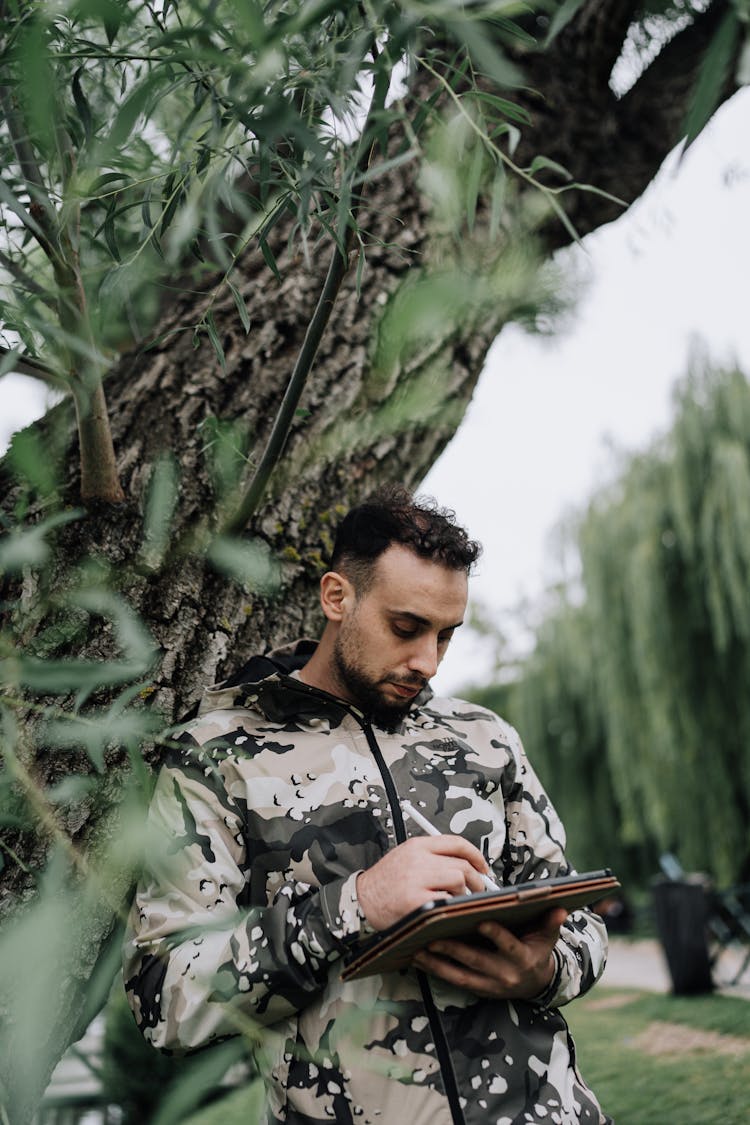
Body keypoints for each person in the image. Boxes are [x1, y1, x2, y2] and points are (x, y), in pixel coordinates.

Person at [123, 486, 611, 1125]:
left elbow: (580, 920)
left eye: (446, 635)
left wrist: (543, 969)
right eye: (405, 628)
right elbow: (167, 996)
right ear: (336, 597)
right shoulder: (217, 756)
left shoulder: (487, 738)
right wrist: (354, 905)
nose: (426, 662)